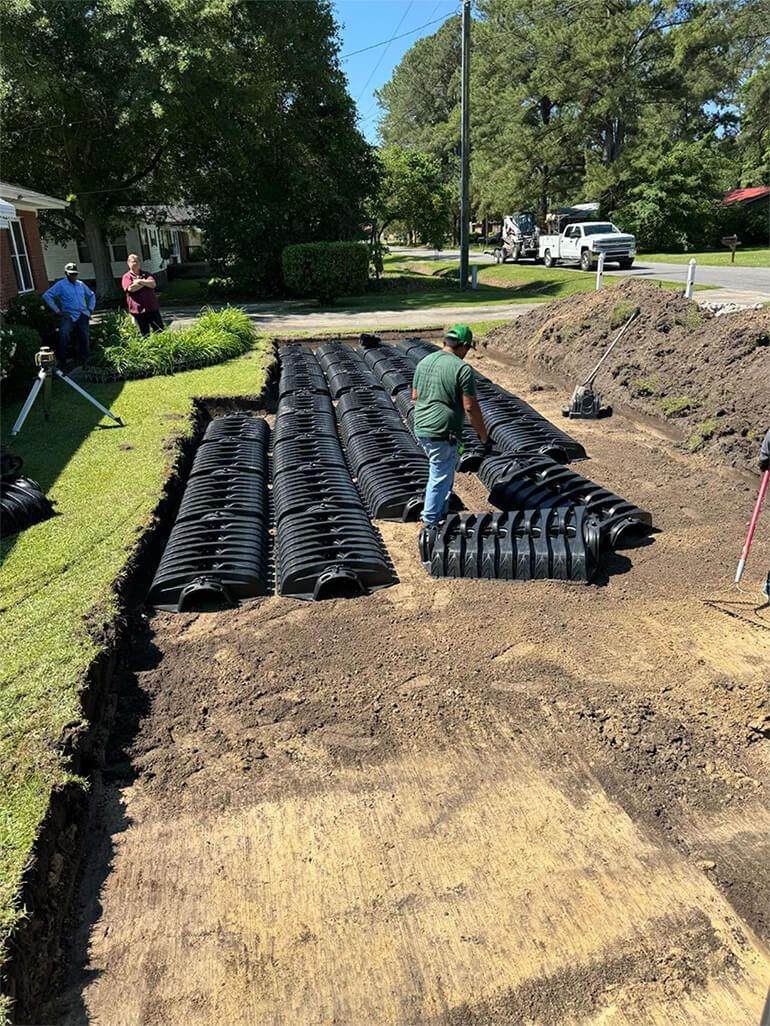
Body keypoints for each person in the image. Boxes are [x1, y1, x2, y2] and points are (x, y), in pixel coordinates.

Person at [412, 324, 490, 530]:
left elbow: (414, 397)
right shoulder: (461, 368)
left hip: (422, 426)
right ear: (463, 346)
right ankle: (429, 520)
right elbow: (471, 407)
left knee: (443, 468)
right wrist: (484, 437)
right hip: (443, 430)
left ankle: (442, 509)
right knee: (439, 472)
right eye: (467, 349)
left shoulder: (424, 362)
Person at [43, 262, 95, 366]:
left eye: (75, 274)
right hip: (69, 315)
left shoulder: (81, 284)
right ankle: (62, 360)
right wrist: (57, 310)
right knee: (64, 334)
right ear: (66, 274)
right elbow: (47, 295)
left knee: (84, 336)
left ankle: (85, 359)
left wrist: (90, 309)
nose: (73, 276)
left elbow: (91, 295)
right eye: (71, 274)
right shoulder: (61, 285)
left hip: (83, 314)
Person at [122, 254, 163, 336]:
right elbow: (130, 289)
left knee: (159, 331)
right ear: (128, 263)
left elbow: (153, 284)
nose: (135, 264)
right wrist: (144, 282)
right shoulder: (126, 277)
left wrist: (139, 281)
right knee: (144, 334)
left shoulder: (146, 274)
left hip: (152, 308)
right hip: (138, 311)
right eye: (133, 262)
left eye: (137, 262)